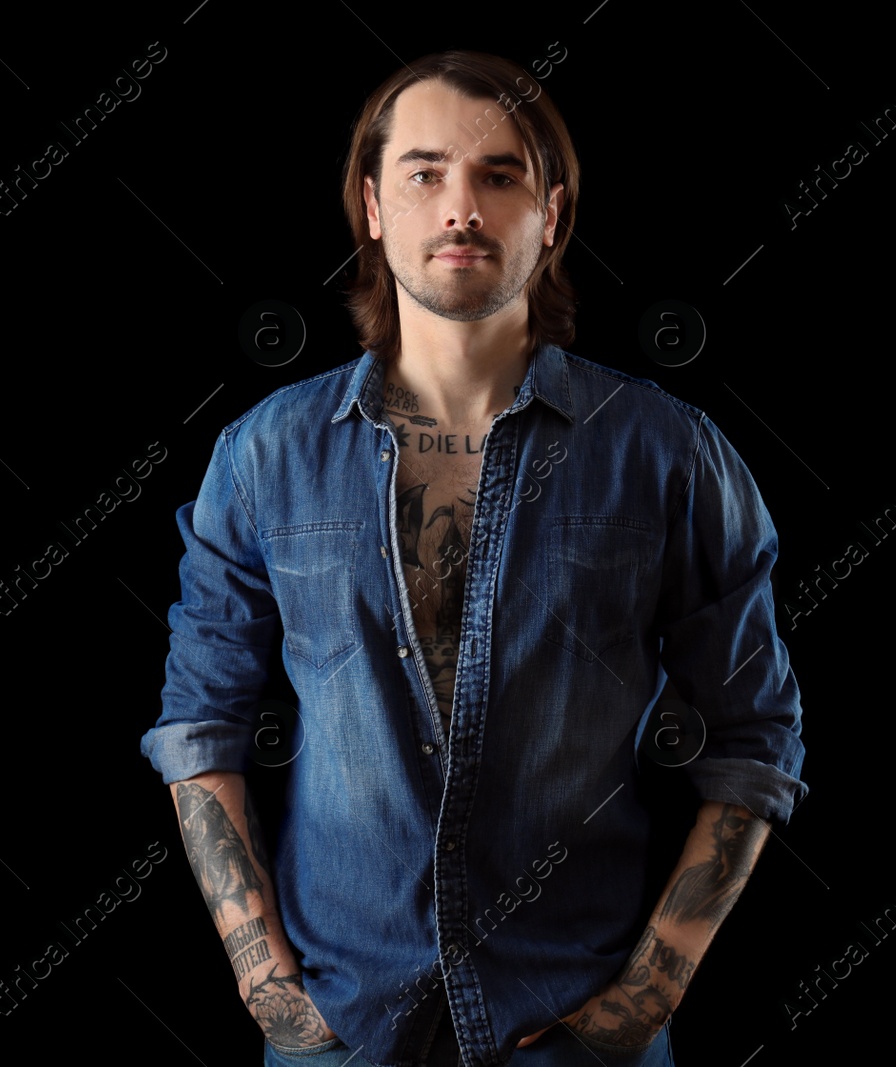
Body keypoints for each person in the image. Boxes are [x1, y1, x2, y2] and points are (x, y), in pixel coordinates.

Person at [139, 49, 808, 1067]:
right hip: (339, 1034)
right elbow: (200, 725)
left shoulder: (669, 454)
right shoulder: (263, 455)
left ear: (554, 212)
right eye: (424, 172)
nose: (461, 207)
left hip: (579, 1034)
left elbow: (756, 737)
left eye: (499, 174)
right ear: (370, 205)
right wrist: (268, 986)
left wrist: (636, 1004)